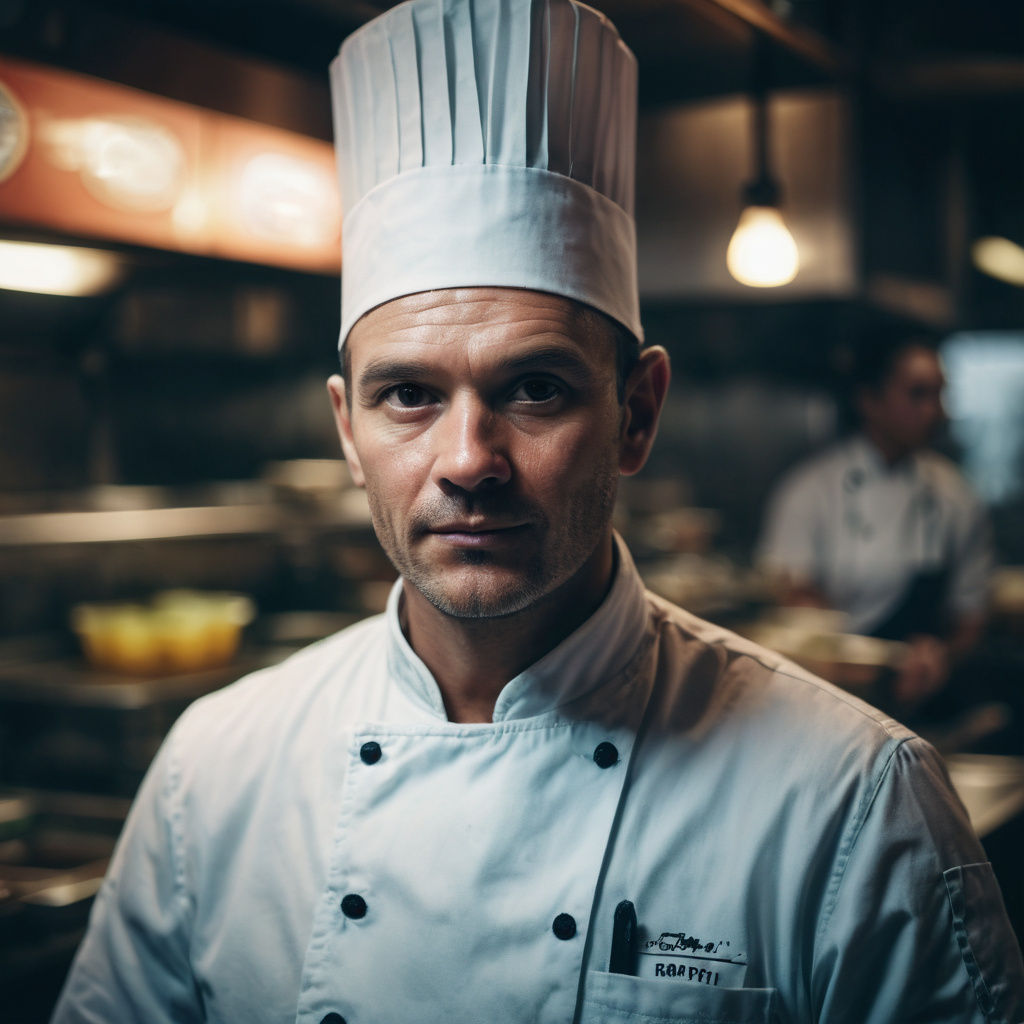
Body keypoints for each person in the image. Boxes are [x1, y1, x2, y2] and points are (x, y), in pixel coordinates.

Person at [53, 2, 1023, 1022]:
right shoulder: (214, 771)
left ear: (637, 414)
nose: (468, 461)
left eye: (535, 389)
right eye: (408, 395)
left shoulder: (854, 804)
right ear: (346, 430)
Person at [757, 334, 993, 715]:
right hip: (824, 696)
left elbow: (970, 615)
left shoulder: (956, 495)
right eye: (918, 394)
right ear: (869, 400)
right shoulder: (810, 488)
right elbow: (790, 588)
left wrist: (942, 656)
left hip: (922, 697)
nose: (936, 411)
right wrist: (840, 652)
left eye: (939, 395)